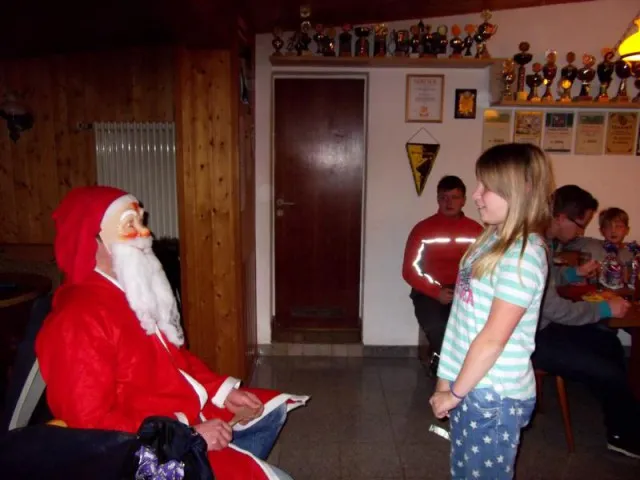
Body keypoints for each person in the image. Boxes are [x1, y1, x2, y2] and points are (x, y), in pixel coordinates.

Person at [35, 186, 308, 480]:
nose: (146, 234)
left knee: (270, 410)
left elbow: (175, 360)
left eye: (141, 221)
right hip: (140, 448)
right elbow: (90, 425)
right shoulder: (76, 320)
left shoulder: (132, 290)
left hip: (174, 412)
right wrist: (188, 436)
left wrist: (223, 392)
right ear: (93, 240)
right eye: (130, 225)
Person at [430, 143, 554, 479]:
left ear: (522, 189)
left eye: (487, 187)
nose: (476, 195)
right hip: (470, 384)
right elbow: (462, 322)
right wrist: (445, 382)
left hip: (493, 396)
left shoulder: (523, 254)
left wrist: (455, 393)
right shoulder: (490, 239)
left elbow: (492, 339)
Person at [535, 185, 640, 458]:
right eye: (580, 224)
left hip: (543, 326)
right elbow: (558, 311)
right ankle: (622, 436)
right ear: (560, 217)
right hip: (530, 339)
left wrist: (573, 274)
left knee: (608, 343)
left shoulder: (546, 242)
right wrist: (605, 308)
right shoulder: (536, 245)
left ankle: (620, 414)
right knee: (609, 369)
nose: (581, 233)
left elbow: (548, 280)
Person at [402, 175, 483, 375]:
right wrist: (436, 292)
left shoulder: (476, 231)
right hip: (429, 292)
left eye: (455, 197)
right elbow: (409, 270)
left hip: (465, 290)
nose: (449, 202)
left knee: (474, 326)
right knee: (437, 325)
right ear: (437, 199)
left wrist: (464, 290)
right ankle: (447, 367)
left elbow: (483, 266)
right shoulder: (423, 229)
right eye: (444, 197)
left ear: (463, 200)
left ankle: (461, 370)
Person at [567, 207, 634, 265]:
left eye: (618, 226)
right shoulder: (590, 244)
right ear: (602, 231)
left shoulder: (631, 251)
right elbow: (566, 242)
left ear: (627, 230)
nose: (613, 231)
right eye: (608, 226)